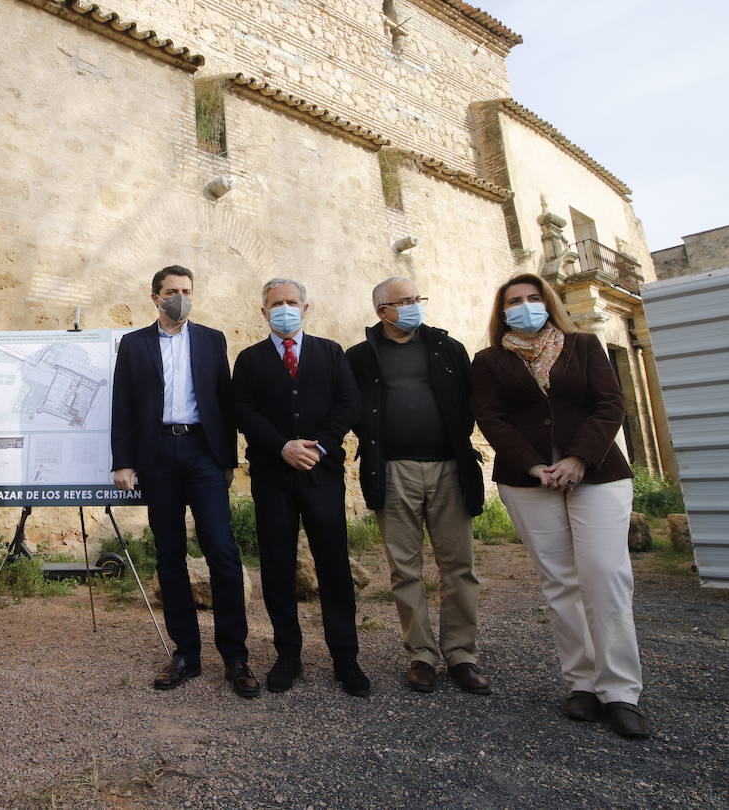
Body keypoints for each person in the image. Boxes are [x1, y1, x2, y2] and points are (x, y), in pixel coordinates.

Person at [471, 273, 650, 739]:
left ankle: (622, 691)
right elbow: (491, 417)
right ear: (502, 311)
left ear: (548, 303)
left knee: (606, 577)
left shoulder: (583, 346)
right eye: (515, 301)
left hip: (596, 474)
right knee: (559, 584)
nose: (525, 306)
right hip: (529, 481)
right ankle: (583, 685)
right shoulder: (489, 360)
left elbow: (610, 404)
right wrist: (533, 466)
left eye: (533, 298)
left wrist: (577, 458)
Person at [111, 265, 256, 697]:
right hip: (158, 455)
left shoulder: (212, 339)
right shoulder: (134, 344)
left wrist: (227, 460)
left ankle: (235, 656)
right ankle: (186, 655)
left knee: (222, 549)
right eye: (172, 291)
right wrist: (124, 461)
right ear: (155, 298)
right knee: (170, 555)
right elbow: (122, 405)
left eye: (187, 291)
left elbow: (223, 401)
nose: (181, 297)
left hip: (202, 452)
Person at [346, 277, 490, 696]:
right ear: (381, 311)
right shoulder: (361, 357)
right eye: (402, 301)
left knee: (459, 566)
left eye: (415, 299)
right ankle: (421, 656)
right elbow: (353, 406)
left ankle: (462, 655)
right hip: (393, 471)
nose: (412, 306)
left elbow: (469, 401)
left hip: (448, 467)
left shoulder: (448, 349)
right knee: (404, 569)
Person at [231, 278, 368, 697]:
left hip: (321, 474)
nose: (285, 309)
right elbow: (241, 409)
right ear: (264, 312)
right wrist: (281, 446)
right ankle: (287, 654)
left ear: (306, 309)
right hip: (273, 477)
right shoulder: (250, 359)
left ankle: (346, 658)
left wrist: (319, 446)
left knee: (333, 565)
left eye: (292, 302)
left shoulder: (330, 352)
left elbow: (349, 403)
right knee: (276, 565)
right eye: (277, 303)